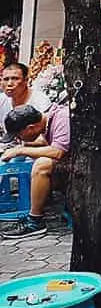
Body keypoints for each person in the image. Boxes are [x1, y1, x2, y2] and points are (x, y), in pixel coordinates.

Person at [0, 102, 70, 239]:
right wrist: (16, 147)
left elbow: (57, 152)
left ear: (30, 128)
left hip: (87, 165)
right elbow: (45, 142)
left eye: (19, 136)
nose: (18, 139)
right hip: (72, 158)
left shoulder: (62, 119)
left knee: (42, 165)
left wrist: (20, 150)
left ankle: (35, 221)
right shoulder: (48, 121)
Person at [0, 63, 49, 134]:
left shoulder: (40, 101)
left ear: (26, 80)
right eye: (6, 79)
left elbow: (43, 135)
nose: (9, 84)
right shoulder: (2, 100)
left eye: (15, 78)